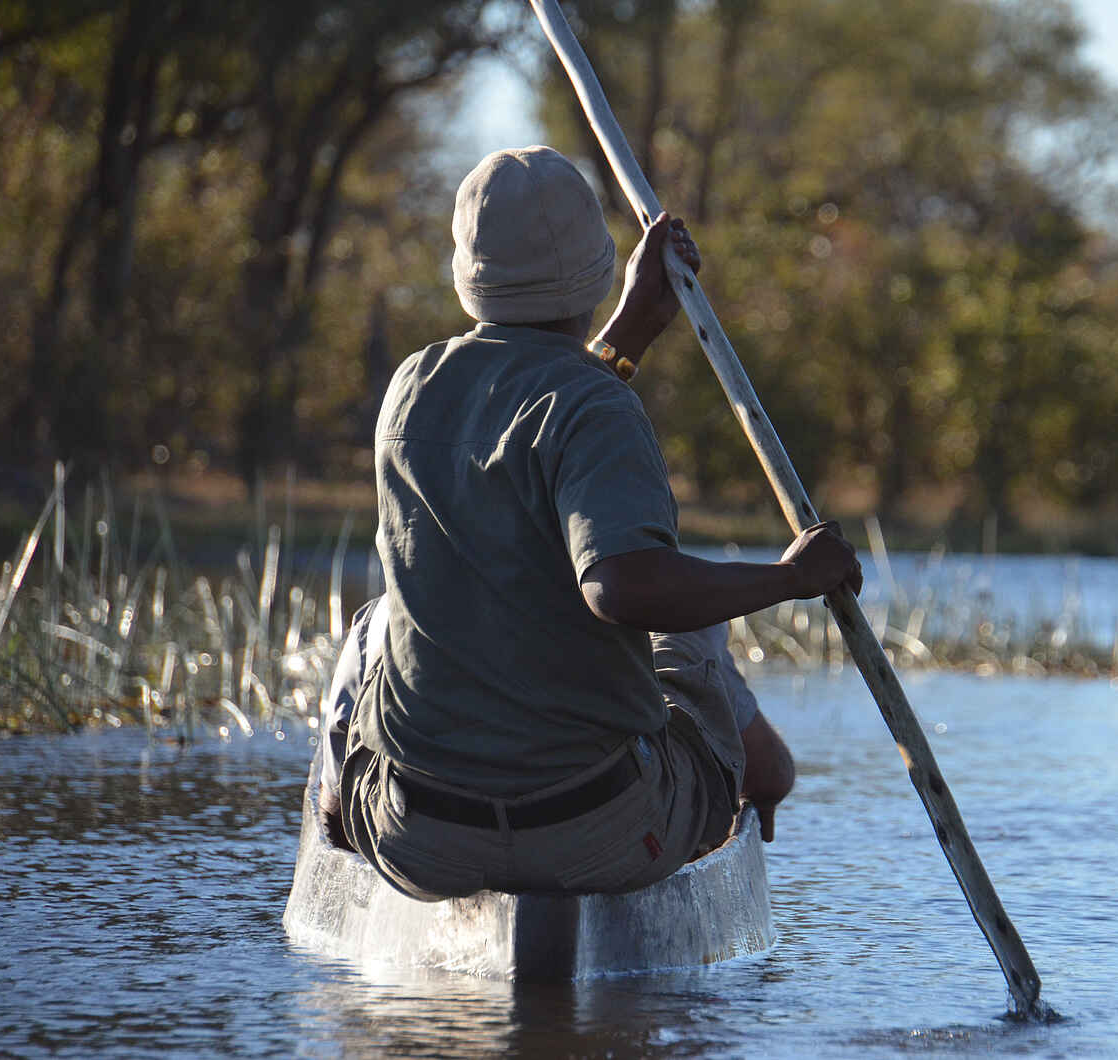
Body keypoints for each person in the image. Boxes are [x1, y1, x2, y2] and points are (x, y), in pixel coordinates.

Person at [319, 145, 861, 902]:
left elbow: (528, 428)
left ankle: (340, 807)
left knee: (375, 624)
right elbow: (621, 587)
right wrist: (787, 578)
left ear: (470, 274)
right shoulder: (597, 404)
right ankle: (759, 770)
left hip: (419, 833)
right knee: (689, 627)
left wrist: (627, 335)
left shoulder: (412, 385)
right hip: (597, 834)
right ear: (596, 273)